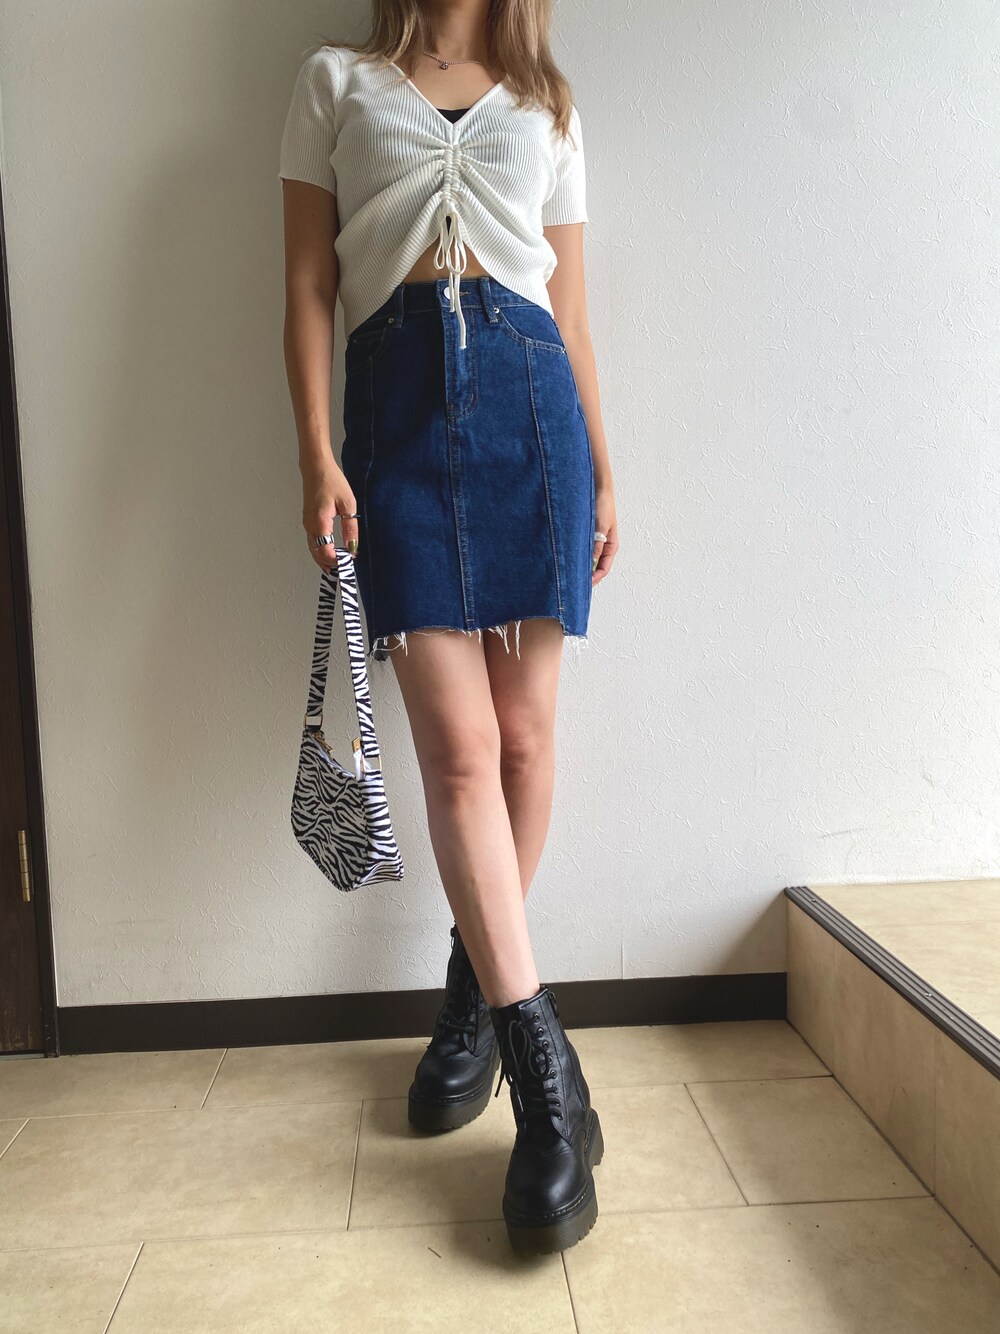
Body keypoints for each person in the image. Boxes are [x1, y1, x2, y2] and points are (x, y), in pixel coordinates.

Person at [279, 0, 618, 1254]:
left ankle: (471, 1000)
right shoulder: (335, 82)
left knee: (522, 743)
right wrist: (314, 451)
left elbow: (569, 313)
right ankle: (547, 1084)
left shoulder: (548, 101)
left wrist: (604, 468)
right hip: (397, 419)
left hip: (532, 412)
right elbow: (309, 285)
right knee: (459, 752)